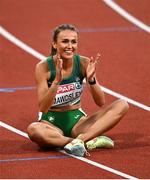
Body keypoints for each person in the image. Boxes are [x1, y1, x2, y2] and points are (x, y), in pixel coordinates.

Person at [27, 24, 129, 157]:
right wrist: (56, 82)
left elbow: (100, 102)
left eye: (73, 42)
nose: (70, 46)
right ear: (54, 44)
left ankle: (81, 140)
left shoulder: (84, 63)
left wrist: (91, 80)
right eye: (65, 41)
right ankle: (83, 141)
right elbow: (43, 108)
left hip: (78, 123)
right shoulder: (43, 67)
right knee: (33, 130)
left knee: (122, 104)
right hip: (51, 124)